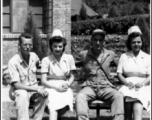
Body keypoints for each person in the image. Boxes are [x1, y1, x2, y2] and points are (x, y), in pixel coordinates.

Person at [75, 29, 124, 120]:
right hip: (90, 87)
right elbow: (70, 63)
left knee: (118, 96)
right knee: (80, 96)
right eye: (95, 40)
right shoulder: (84, 54)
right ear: (91, 41)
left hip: (106, 87)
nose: (98, 42)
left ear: (103, 42)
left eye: (100, 40)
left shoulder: (111, 54)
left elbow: (123, 65)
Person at [8, 33, 48, 120]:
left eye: (30, 44)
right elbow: (16, 85)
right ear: (19, 45)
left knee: (43, 95)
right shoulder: (13, 62)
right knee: (23, 95)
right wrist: (37, 89)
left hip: (33, 90)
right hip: (18, 90)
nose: (28, 47)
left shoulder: (34, 56)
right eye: (25, 44)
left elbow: (38, 63)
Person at [41, 29, 76, 120]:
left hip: (65, 85)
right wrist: (56, 88)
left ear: (63, 46)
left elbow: (72, 76)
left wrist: (67, 84)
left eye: (60, 46)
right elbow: (43, 80)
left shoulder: (69, 58)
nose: (57, 49)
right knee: (53, 101)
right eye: (55, 46)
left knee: (67, 97)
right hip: (51, 86)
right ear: (51, 47)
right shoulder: (46, 60)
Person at [117, 25, 150, 120]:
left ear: (142, 42)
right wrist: (126, 83)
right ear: (130, 44)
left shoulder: (147, 57)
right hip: (128, 86)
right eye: (134, 42)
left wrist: (142, 84)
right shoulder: (124, 56)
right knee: (127, 100)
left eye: (139, 42)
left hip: (143, 86)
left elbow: (150, 76)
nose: (136, 44)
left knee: (137, 105)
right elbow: (119, 73)